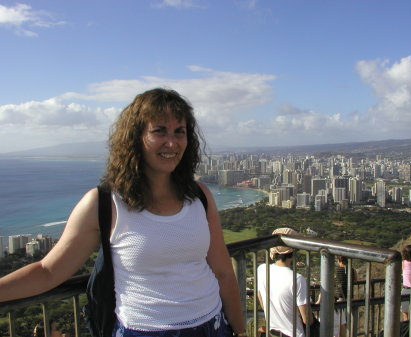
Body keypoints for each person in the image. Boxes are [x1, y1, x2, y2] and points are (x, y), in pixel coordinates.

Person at [0, 89, 247, 337]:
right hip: (144, 331)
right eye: (159, 130)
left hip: (213, 325)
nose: (171, 143)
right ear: (136, 137)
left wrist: (239, 330)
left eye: (179, 132)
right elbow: (48, 272)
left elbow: (223, 272)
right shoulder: (104, 203)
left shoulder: (199, 196)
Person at [257, 227, 316, 337]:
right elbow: (307, 320)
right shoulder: (297, 279)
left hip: (272, 331)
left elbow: (260, 296)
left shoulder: (262, 270)